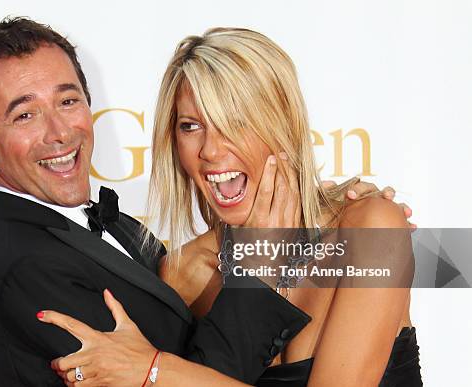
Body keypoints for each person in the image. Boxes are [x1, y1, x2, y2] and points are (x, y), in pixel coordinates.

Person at [0, 18, 348, 387]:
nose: (59, 133)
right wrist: (259, 266)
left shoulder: (118, 226)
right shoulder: (28, 269)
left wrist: (332, 207)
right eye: (25, 115)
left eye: (67, 102)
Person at [43, 28, 421, 386]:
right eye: (191, 126)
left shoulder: (371, 228)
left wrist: (154, 371)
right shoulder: (184, 275)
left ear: (283, 123)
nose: (210, 150)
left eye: (235, 121)